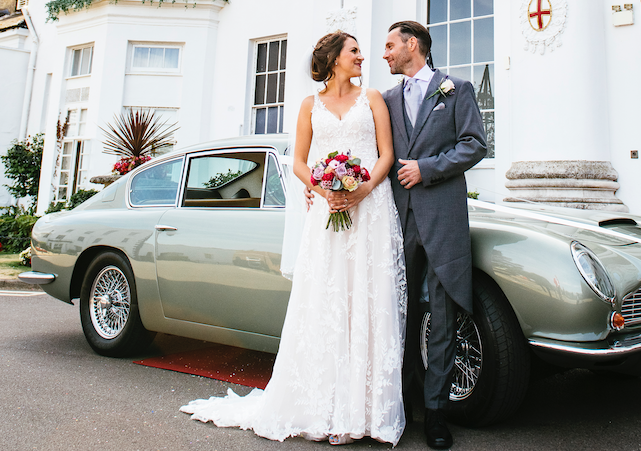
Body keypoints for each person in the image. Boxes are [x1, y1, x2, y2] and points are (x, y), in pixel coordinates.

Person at [180, 31, 408, 447]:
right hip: (328, 210)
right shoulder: (309, 105)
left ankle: (368, 413)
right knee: (328, 302)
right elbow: (300, 161)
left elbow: (386, 155)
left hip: (370, 208)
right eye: (354, 51)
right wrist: (325, 190)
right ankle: (324, 407)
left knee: (367, 301)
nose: (362, 57)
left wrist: (361, 189)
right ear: (335, 58)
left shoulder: (373, 98)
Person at [382, 21, 487, 449]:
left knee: (442, 318)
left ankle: (437, 413)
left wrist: (427, 169)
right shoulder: (385, 99)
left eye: (390, 45)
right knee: (399, 313)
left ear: (413, 45)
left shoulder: (455, 89)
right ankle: (402, 402)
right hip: (397, 220)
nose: (385, 53)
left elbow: (475, 144)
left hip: (442, 219)